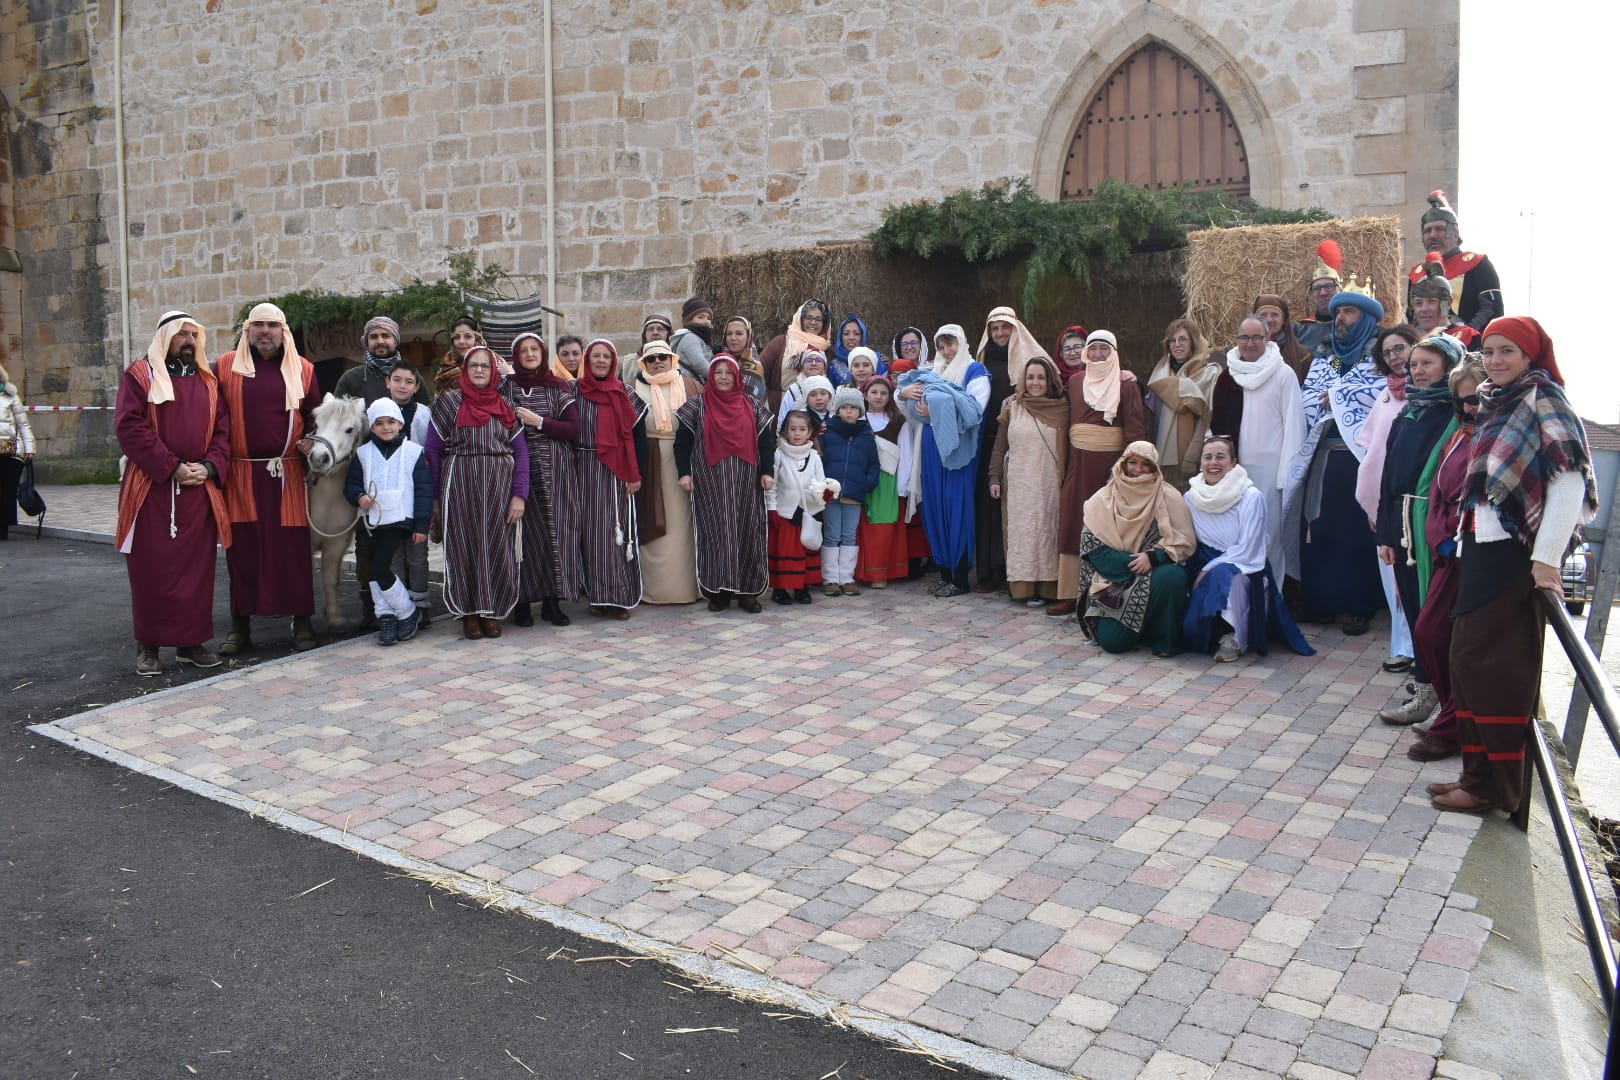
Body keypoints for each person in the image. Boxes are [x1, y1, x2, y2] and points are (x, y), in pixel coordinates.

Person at [1432, 317, 1596, 813]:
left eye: (1508, 351)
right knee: (1467, 662)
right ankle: (1476, 775)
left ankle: (1494, 788)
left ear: (1530, 356)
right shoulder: (1494, 398)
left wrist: (1546, 562)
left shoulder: (1543, 397)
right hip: (1483, 548)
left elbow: (1568, 483)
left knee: (1494, 667)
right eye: (1490, 351)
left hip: (1515, 556)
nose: (1497, 360)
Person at [114, 311, 232, 674]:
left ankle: (190, 642)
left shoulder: (210, 383)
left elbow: (223, 433)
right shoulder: (139, 376)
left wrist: (209, 467)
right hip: (152, 487)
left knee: (196, 571)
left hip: (197, 487)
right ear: (165, 337)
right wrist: (171, 466)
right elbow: (129, 426)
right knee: (151, 569)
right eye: (182, 335)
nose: (189, 341)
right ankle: (148, 645)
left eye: (194, 335)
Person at [214, 302, 324, 654]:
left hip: (287, 473)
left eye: (272, 326)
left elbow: (316, 417)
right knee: (242, 551)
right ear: (248, 330)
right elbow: (214, 419)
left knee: (292, 552)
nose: (265, 332)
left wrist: (312, 439)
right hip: (242, 473)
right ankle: (239, 626)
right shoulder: (224, 367)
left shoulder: (303, 369)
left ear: (283, 331)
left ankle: (303, 622)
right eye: (258, 325)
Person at [1283, 276, 1386, 633]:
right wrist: (1338, 396)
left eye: (1349, 311)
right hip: (1325, 454)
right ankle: (1322, 602)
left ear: (1367, 318)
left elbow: (1376, 395)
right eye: (1339, 311)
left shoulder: (1380, 356)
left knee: (1357, 530)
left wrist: (1339, 397)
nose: (1340, 317)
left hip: (1360, 458)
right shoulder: (1332, 357)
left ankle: (1360, 604)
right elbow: (1313, 395)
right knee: (1320, 526)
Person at [1372, 333, 1464, 724]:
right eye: (1414, 365)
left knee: (1435, 615)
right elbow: (1388, 478)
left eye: (1427, 364)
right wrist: (1386, 536)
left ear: (1449, 367)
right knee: (1413, 608)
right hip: (1403, 521)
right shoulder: (1406, 414)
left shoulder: (1458, 416)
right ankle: (1424, 692)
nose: (1418, 371)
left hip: (1434, 525)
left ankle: (1447, 697)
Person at [1403, 358, 1486, 763]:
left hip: (1477, 553)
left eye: (1474, 399)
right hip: (1446, 553)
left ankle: (1453, 722)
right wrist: (1439, 538)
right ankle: (1452, 709)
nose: (1468, 408)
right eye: (1461, 401)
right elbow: (1437, 491)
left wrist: (1457, 534)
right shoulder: (1459, 437)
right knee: (1429, 631)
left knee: (1460, 642)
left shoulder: (1492, 438)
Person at [425, 346, 527, 639]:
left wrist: (519, 495)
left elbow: (521, 453)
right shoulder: (449, 403)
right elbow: (433, 449)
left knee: (497, 546)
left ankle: (490, 611)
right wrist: (434, 498)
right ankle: (468, 613)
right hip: (459, 486)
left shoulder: (506, 405)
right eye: (474, 366)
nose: (480, 370)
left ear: (494, 371)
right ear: (465, 370)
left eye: (485, 366)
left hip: (499, 488)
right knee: (463, 547)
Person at [1182, 435, 1314, 662]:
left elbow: (1250, 549)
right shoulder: (1191, 497)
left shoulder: (1250, 497)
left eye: (1220, 457)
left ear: (1234, 462)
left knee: (1227, 576)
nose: (1213, 463)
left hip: (1244, 563)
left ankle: (1234, 637)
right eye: (1208, 457)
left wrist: (1210, 569)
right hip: (1202, 559)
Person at [1049, 329, 1148, 617]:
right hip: (1078, 465)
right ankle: (1069, 593)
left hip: (1111, 468)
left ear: (1114, 352)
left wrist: (1126, 473)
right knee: (1073, 522)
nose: (1097, 354)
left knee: (1106, 528)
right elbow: (1057, 411)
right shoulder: (1076, 382)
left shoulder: (1126, 385)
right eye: (1093, 349)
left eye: (1104, 349)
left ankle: (1102, 591)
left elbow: (1136, 430)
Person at [1208, 314, 1306, 584]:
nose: (1250, 344)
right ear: (1236, 340)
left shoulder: (1282, 374)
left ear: (1268, 338)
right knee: (1237, 537)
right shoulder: (1228, 377)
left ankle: (1269, 602)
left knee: (1268, 537)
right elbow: (1216, 426)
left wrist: (1288, 475)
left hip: (1272, 473)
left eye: (1257, 337)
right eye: (1244, 337)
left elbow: (1295, 426)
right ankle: (1236, 601)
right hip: (1235, 472)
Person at [675, 354, 776, 612]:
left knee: (747, 531)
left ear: (736, 376)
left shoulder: (752, 406)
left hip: (746, 483)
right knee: (715, 532)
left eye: (728, 373)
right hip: (710, 483)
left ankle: (748, 592)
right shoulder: (697, 406)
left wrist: (767, 471)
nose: (722, 377)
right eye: (717, 372)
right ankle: (718, 591)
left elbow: (766, 441)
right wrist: (684, 473)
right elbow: (682, 443)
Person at [1077, 442, 1196, 655]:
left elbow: (1183, 540)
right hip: (1113, 581)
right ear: (1123, 464)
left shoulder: (1167, 496)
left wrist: (1153, 557)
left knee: (1173, 576)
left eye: (1145, 464)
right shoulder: (1103, 498)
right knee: (1114, 644)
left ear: (1154, 468)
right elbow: (1092, 546)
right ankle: (1140, 629)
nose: (1138, 469)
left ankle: (1163, 639)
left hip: (1154, 574)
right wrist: (1133, 564)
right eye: (1133, 462)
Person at [897, 324, 988, 597]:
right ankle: (945, 572)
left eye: (952, 344)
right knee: (934, 507)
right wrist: (903, 393)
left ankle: (960, 578)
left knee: (956, 508)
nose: (948, 351)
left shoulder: (975, 372)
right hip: (930, 449)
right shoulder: (932, 372)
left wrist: (935, 408)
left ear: (962, 344)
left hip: (958, 453)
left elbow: (975, 411)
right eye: (942, 346)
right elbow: (911, 412)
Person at [1354, 324, 1422, 671]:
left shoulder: (1425, 394)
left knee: (1410, 580)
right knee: (1391, 579)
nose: (1395, 357)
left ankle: (1418, 650)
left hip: (1411, 502)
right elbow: (1371, 449)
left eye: (1401, 349)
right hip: (1382, 504)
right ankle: (1403, 645)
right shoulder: (1385, 395)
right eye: (1388, 352)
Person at [505, 332, 583, 628]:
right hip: (518, 470)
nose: (529, 354)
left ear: (543, 352)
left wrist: (539, 422)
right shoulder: (505, 388)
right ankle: (522, 603)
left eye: (534, 349)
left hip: (556, 471)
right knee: (523, 535)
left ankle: (552, 601)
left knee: (555, 532)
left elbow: (573, 429)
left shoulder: (557, 387)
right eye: (523, 350)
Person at [974, 306, 1052, 593]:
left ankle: (1016, 571)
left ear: (1015, 329)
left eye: (1005, 328)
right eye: (994, 329)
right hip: (988, 443)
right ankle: (989, 570)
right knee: (989, 508)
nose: (1000, 333)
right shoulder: (980, 363)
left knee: (1017, 508)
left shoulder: (1031, 364)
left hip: (1021, 446)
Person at [345, 399, 432, 645]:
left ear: (400, 423)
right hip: (372, 523)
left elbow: (424, 491)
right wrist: (359, 496)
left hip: (399, 520)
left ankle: (407, 612)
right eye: (379, 423)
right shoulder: (363, 454)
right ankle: (385, 616)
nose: (386, 428)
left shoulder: (414, 452)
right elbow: (351, 484)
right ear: (371, 427)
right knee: (373, 571)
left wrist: (421, 525)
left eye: (391, 422)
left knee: (380, 568)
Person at [574, 339, 648, 619]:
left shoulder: (625, 393)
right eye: (596, 356)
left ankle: (619, 597)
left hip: (618, 471)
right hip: (584, 468)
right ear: (587, 360)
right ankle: (597, 596)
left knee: (617, 534)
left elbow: (638, 437)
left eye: (607, 356)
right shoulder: (574, 391)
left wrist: (635, 473)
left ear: (614, 361)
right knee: (591, 535)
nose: (601, 361)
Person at [988, 356, 1069, 606]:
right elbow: (1000, 445)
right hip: (1019, 485)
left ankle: (1048, 589)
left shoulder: (1063, 409)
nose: (1035, 383)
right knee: (1022, 536)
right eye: (1031, 377)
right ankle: (1022, 588)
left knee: (1047, 534)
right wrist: (994, 476)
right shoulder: (1012, 407)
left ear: (1050, 380)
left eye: (1041, 377)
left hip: (1049, 485)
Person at [632, 340, 701, 605]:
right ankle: (653, 591)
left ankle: (686, 588)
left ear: (672, 359)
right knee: (654, 521)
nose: (658, 362)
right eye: (651, 359)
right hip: (649, 461)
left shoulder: (690, 385)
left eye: (663, 356)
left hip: (683, 462)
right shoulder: (634, 387)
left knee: (682, 528)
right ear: (643, 363)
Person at [1406, 191, 1503, 336]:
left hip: (1471, 346)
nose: (1433, 235)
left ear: (1455, 234)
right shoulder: (1417, 273)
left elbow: (1491, 309)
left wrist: (1464, 336)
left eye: (1440, 229)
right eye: (1427, 231)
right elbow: (1413, 315)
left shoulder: (1478, 263)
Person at [767, 411, 836, 605]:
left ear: (810, 433)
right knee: (785, 552)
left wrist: (824, 492)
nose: (797, 433)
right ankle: (780, 588)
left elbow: (821, 482)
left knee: (805, 550)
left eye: (802, 429)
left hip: (808, 511)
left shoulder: (814, 456)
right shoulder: (779, 455)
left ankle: (802, 587)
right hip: (785, 512)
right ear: (785, 432)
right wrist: (771, 509)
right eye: (793, 429)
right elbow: (772, 486)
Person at [384, 360, 433, 627]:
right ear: (388, 382)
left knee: (416, 553)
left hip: (416, 494)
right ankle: (401, 608)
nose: (402, 386)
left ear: (416, 387)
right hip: (388, 496)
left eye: (409, 382)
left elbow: (430, 451)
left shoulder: (423, 414)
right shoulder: (377, 412)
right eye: (397, 380)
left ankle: (421, 604)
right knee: (394, 554)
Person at [818, 387, 880, 596]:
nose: (848, 412)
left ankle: (846, 577)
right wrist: (822, 485)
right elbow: (819, 458)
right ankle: (830, 579)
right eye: (844, 407)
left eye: (853, 408)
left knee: (849, 536)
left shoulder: (866, 435)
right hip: (831, 494)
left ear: (860, 411)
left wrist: (866, 483)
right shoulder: (828, 432)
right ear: (838, 410)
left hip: (855, 494)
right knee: (832, 534)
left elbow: (873, 464)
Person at [1145, 317, 1219, 490]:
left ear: (1193, 341)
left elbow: (1207, 421)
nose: (1177, 344)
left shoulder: (1209, 374)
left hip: (1194, 457)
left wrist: (1192, 457)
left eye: (1183, 339)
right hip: (1161, 458)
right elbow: (1150, 418)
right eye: (1172, 340)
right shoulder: (1160, 376)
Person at [855, 376, 911, 589]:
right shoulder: (858, 420)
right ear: (866, 394)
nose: (878, 396)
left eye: (883, 393)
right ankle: (861, 572)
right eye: (874, 392)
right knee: (864, 527)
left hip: (887, 480)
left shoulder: (898, 422)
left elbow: (907, 454)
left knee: (883, 527)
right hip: (864, 478)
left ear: (890, 397)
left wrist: (902, 485)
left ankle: (880, 574)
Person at [334, 316, 431, 406]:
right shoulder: (351, 378)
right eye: (374, 337)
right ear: (367, 342)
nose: (380, 341)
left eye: (385, 336)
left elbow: (426, 415)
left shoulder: (411, 375)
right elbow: (337, 418)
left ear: (395, 341)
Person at [760, 299, 832, 414]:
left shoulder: (826, 349)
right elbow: (760, 374)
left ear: (824, 323)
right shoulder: (781, 343)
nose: (813, 323)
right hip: (779, 408)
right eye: (808, 318)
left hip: (816, 412)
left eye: (818, 319)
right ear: (800, 319)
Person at [1409, 252, 1478, 347]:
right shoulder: (1407, 342)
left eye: (1431, 301)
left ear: (1448, 302)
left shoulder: (1468, 337)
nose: (1424, 309)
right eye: (1418, 303)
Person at [0, 362, 35, 540]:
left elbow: (23, 424)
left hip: (10, 451)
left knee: (8, 491)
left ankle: (4, 527)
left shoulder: (11, 396)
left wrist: (30, 449)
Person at [1294, 241, 1342, 357]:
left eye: (1329, 286)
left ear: (1340, 290)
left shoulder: (1353, 327)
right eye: (1317, 288)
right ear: (1311, 294)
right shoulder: (1299, 330)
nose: (1323, 293)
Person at [1253, 293, 1311, 386]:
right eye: (1263, 315)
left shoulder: (1302, 355)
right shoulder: (1245, 352)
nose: (1269, 320)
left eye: (1275, 315)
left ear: (1283, 320)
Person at [777, 350, 835, 426]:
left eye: (818, 360)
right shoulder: (794, 390)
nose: (814, 364)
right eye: (809, 360)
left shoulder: (830, 389)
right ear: (802, 367)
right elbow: (783, 419)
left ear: (824, 367)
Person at [721, 316, 768, 405]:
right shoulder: (719, 363)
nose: (733, 338)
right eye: (729, 333)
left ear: (748, 337)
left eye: (739, 333)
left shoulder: (753, 368)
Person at [668, 297, 716, 385]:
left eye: (708, 318)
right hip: (689, 387)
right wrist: (718, 379)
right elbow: (700, 364)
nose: (706, 321)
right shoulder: (690, 338)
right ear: (689, 320)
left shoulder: (699, 337)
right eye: (700, 317)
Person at [436, 314, 486, 394]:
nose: (461, 341)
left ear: (477, 339)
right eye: (456, 337)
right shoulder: (446, 367)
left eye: (468, 336)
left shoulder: (493, 365)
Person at [830, 314, 881, 387]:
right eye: (846, 334)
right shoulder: (833, 365)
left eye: (856, 334)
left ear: (863, 336)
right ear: (841, 337)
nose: (851, 337)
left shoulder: (878, 360)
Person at [621, 313, 675, 380]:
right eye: (650, 329)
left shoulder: (678, 359)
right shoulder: (629, 362)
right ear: (644, 334)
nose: (655, 332)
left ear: (668, 333)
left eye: (660, 329)